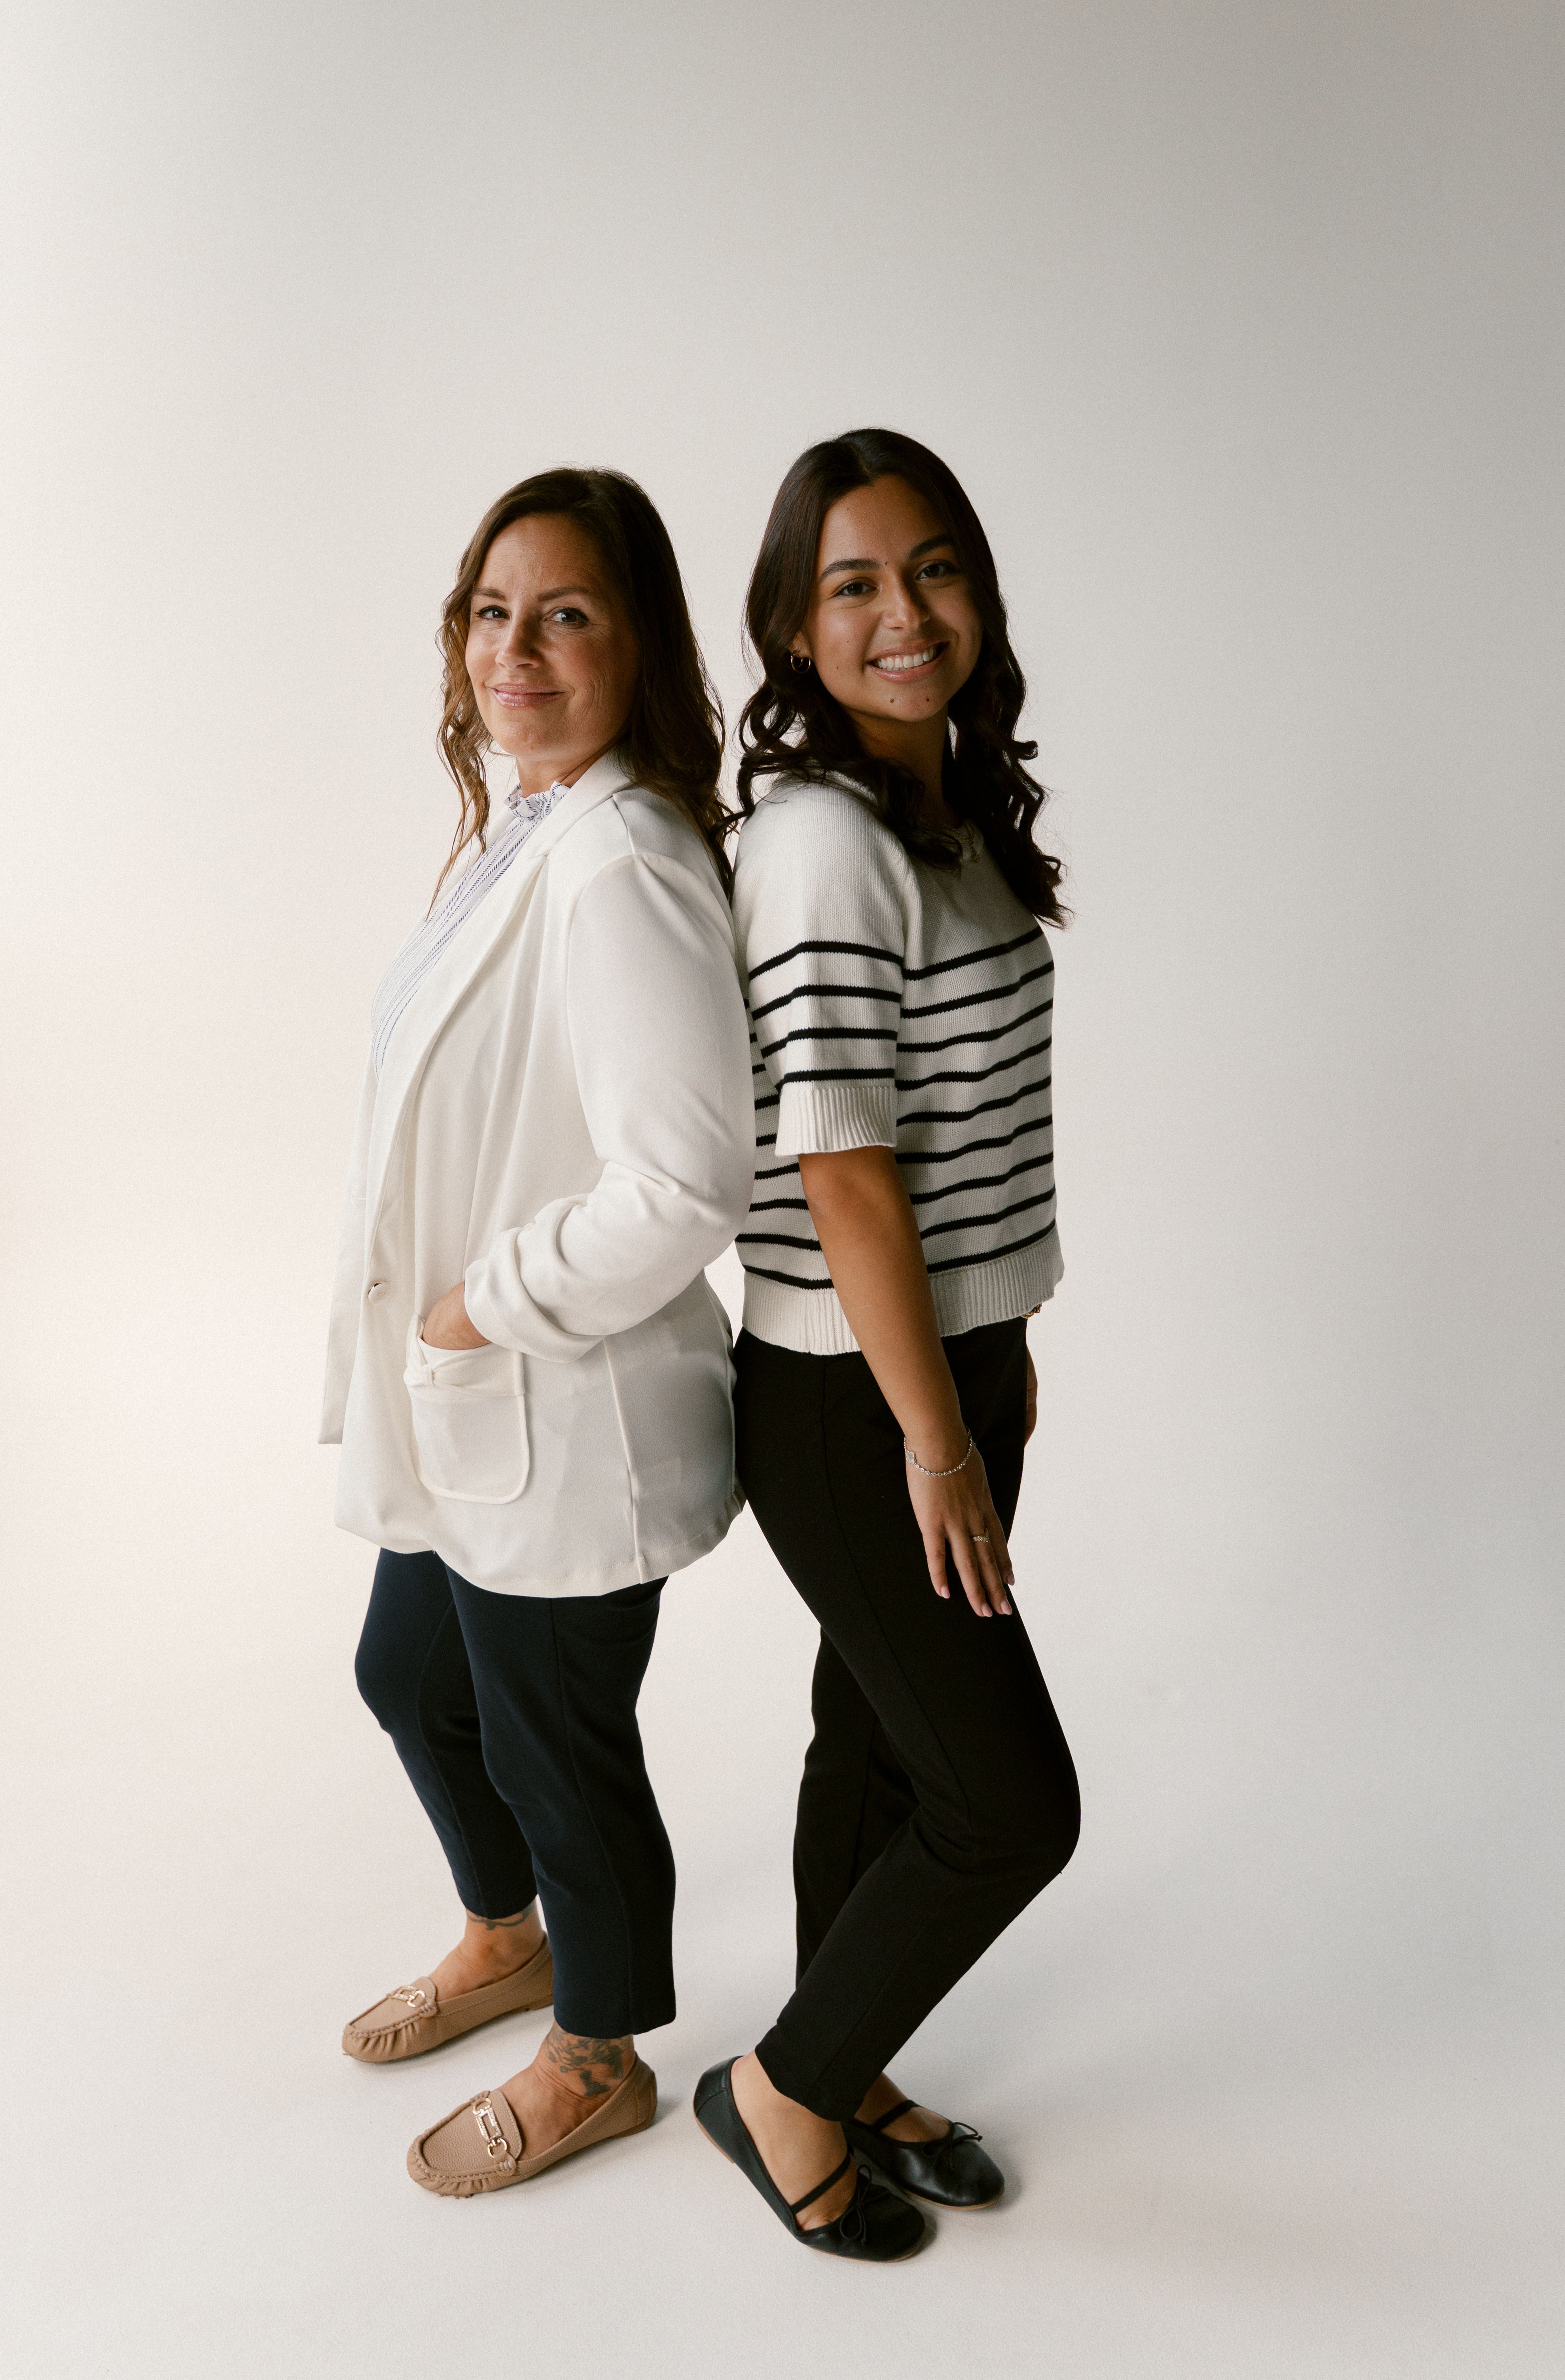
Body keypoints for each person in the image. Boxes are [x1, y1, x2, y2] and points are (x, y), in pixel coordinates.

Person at [321, 466, 753, 2198]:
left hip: (562, 1405)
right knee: (408, 1676)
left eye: (566, 612)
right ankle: (506, 1936)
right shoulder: (534, 828)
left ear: (635, 642)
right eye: (494, 610)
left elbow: (685, 1181)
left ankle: (599, 2049)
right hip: (476, 1408)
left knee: (559, 1749)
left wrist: (473, 1300)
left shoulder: (628, 861)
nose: (517, 646)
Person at [695, 429, 1081, 2262]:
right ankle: (781, 2084)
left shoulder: (942, 813)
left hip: (947, 1360)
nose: (902, 611)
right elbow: (840, 1171)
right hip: (853, 1394)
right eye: (851, 583)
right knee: (1010, 1805)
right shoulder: (826, 839)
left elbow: (952, 1148)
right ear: (790, 626)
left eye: (932, 568)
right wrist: (936, 1436)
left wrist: (995, 1357)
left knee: (877, 1740)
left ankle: (843, 2063)